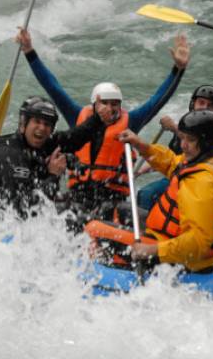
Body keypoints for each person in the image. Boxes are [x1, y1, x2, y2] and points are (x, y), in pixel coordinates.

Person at [15, 28, 188, 217]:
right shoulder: (77, 116)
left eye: (115, 104)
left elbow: (158, 99)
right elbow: (52, 86)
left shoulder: (131, 121)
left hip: (112, 200)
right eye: (104, 103)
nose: (110, 108)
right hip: (78, 196)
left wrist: (177, 70)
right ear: (94, 104)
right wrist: (29, 52)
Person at [85, 110, 213, 272]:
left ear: (207, 142)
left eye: (191, 140)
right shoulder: (211, 160)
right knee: (115, 209)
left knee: (93, 229)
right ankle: (118, 262)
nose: (183, 145)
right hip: (167, 235)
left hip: (180, 257)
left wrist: (151, 250)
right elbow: (172, 163)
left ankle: (109, 274)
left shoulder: (203, 184)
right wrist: (141, 145)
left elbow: (198, 244)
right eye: (183, 138)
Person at [0, 96, 102, 218]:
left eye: (47, 124)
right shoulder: (10, 154)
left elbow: (73, 138)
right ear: (23, 125)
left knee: (82, 204)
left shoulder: (42, 144)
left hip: (27, 214)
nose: (42, 128)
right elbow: (21, 208)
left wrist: (98, 117)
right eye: (37, 121)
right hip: (4, 221)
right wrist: (53, 175)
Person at [137, 84, 213, 209]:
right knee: (144, 194)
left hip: (198, 183)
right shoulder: (186, 126)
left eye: (210, 105)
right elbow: (170, 157)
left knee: (148, 194)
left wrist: (174, 128)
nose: (204, 108)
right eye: (201, 103)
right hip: (178, 177)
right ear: (193, 104)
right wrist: (140, 171)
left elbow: (201, 146)